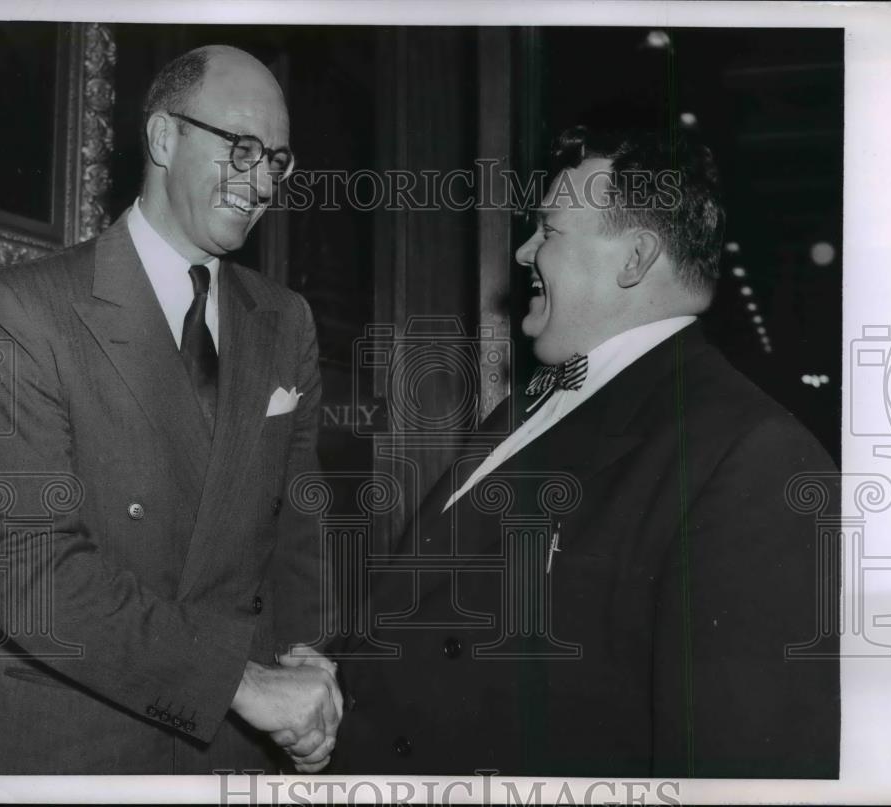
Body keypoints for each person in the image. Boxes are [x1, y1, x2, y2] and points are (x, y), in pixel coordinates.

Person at [331, 122, 840, 777]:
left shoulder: (754, 458)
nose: (522, 253)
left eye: (548, 230)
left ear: (634, 259)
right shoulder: (522, 408)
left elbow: (740, 773)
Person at [0, 45, 341, 774]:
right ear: (164, 137)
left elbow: (301, 530)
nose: (260, 181)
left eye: (277, 160)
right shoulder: (19, 309)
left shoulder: (286, 321)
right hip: (84, 741)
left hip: (243, 750)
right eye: (241, 148)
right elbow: (27, 565)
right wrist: (240, 682)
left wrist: (308, 675)